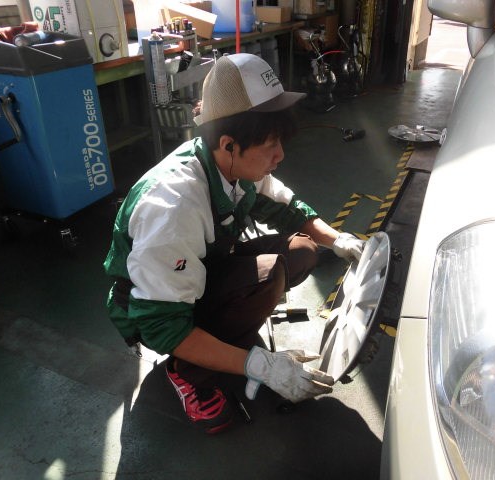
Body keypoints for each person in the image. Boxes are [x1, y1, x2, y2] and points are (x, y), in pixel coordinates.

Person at [103, 53, 366, 434]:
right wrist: (259, 365)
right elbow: (162, 325)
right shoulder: (173, 207)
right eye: (271, 143)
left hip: (197, 272)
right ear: (228, 144)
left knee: (302, 251)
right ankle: (186, 370)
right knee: (267, 275)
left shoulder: (232, 166)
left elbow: (286, 207)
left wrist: (338, 240)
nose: (280, 155)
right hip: (155, 308)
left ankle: (225, 336)